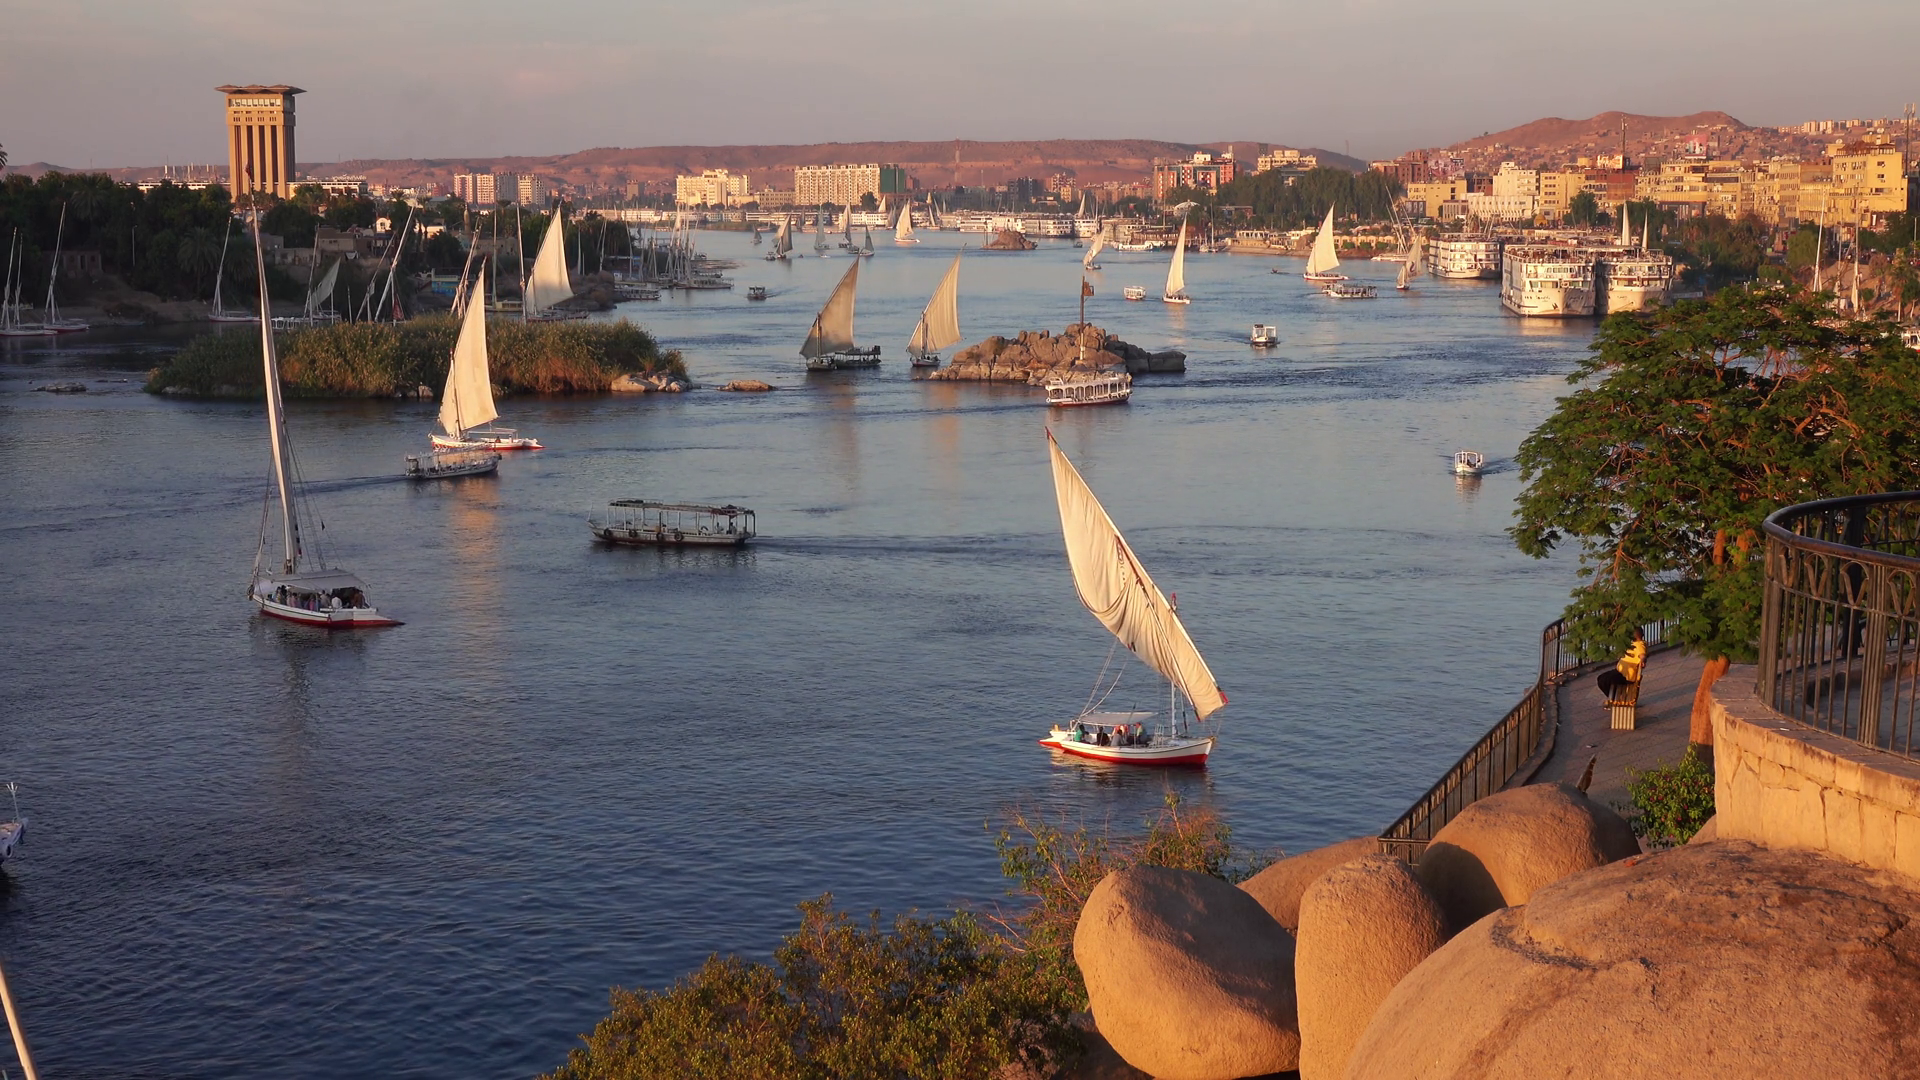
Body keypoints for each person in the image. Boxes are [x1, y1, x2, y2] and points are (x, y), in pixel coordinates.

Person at [1597, 630, 1647, 700]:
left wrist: (1643, 660)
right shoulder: (1632, 644)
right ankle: (1614, 697)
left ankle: (1614, 698)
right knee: (1601, 678)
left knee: (1604, 680)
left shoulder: (1640, 645)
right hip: (1620, 673)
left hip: (1625, 676)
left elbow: (1642, 655)